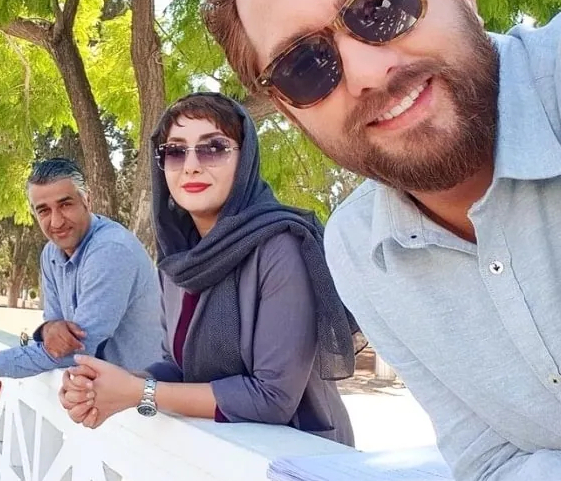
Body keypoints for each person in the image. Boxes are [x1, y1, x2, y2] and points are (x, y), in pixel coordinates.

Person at [201, 0, 561, 481]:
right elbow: (490, 463)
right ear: (291, 111)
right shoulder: (358, 252)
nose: (367, 72)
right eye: (303, 65)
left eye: (381, 4)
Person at [59, 93, 359, 445]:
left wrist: (140, 392)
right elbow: (178, 368)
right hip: (215, 454)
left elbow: (273, 398)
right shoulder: (179, 261)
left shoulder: (281, 245)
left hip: (295, 456)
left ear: (245, 160)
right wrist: (109, 384)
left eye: (213, 148)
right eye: (175, 151)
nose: (191, 166)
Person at [0, 157, 161, 402]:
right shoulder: (51, 253)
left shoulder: (111, 250)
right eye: (44, 210)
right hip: (101, 398)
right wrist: (48, 328)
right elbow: (56, 334)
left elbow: (74, 351)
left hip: (150, 404)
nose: (56, 221)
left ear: (87, 200)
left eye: (65, 205)